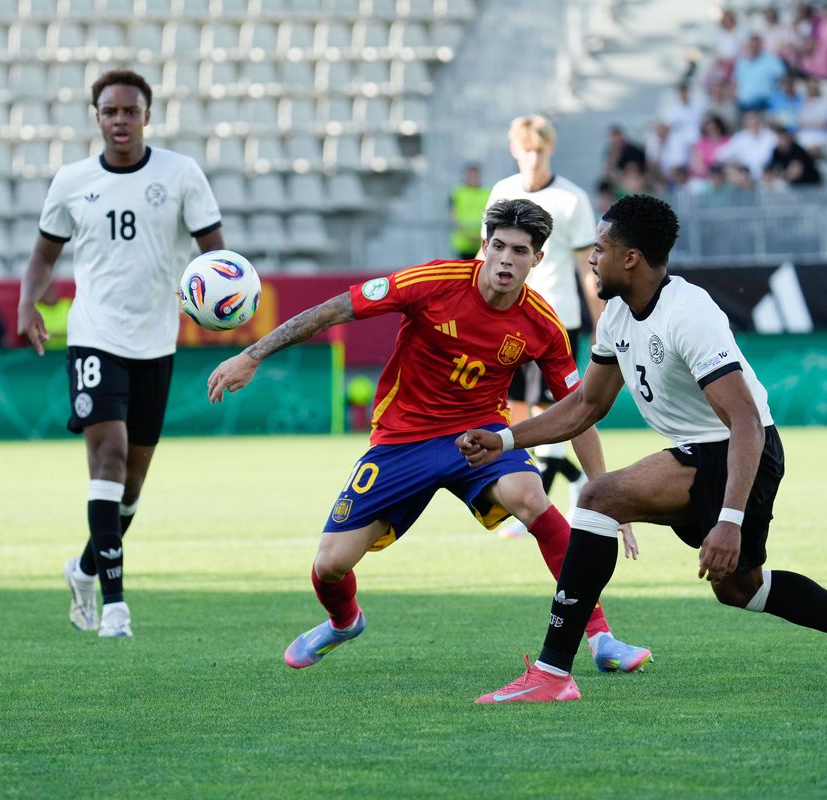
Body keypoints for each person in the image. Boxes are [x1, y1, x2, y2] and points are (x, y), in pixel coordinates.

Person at [461, 195, 827, 704]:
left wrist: (730, 520)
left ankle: (553, 672)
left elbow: (745, 421)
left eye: (600, 249)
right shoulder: (616, 315)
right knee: (741, 589)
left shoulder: (688, 312)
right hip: (702, 451)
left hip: (740, 452)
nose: (591, 258)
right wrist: (504, 439)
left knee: (598, 498)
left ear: (631, 258)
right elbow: (586, 405)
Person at [206, 198, 652, 673]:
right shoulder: (432, 282)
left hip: (480, 438)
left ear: (537, 259)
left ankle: (600, 636)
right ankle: (344, 621)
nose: (506, 259)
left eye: (520, 251)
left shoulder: (542, 324)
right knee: (330, 565)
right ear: (483, 245)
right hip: (403, 440)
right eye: (499, 246)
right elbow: (334, 310)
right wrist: (252, 355)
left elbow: (579, 411)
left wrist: (604, 492)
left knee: (531, 497)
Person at [16, 69, 225, 638]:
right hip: (94, 336)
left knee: (131, 486)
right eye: (110, 111)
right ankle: (114, 606)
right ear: (98, 118)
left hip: (155, 342)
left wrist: (219, 299)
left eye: (130, 111)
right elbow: (43, 255)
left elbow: (215, 254)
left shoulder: (181, 174)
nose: (120, 120)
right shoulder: (72, 180)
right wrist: (27, 303)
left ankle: (85, 568)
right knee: (107, 455)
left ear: (147, 116)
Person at [482, 115, 603, 533]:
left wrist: (601, 322)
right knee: (515, 415)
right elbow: (486, 258)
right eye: (526, 149)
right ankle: (569, 479)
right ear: (514, 150)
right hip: (506, 320)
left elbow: (588, 267)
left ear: (550, 150)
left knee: (552, 414)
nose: (533, 157)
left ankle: (536, 505)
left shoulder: (572, 199)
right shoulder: (502, 192)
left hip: (556, 322)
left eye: (540, 149)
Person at [448, 162, 489, 259]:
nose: (473, 178)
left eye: (476, 175)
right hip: (463, 243)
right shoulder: (458, 192)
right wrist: (467, 235)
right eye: (471, 175)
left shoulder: (486, 192)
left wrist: (481, 235)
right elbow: (453, 216)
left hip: (481, 242)